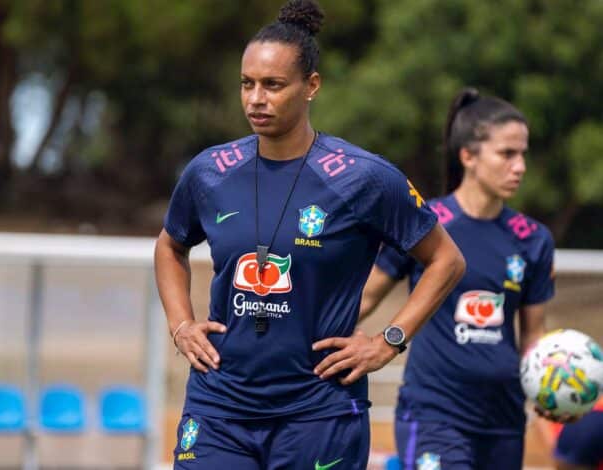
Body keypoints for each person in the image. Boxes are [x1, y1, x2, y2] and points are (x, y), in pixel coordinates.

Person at [153, 1, 465, 468]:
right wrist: (181, 324)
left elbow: (447, 260)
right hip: (219, 407)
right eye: (248, 84)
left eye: (273, 85)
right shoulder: (209, 171)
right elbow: (170, 244)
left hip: (320, 412)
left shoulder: (365, 178)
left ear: (311, 86)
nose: (256, 99)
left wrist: (390, 340)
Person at [359, 87, 557, 469]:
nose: (520, 166)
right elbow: (366, 298)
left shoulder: (532, 239)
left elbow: (533, 335)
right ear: (467, 155)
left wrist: (550, 390)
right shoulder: (426, 223)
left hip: (503, 420)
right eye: (507, 154)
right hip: (435, 412)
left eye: (523, 154)